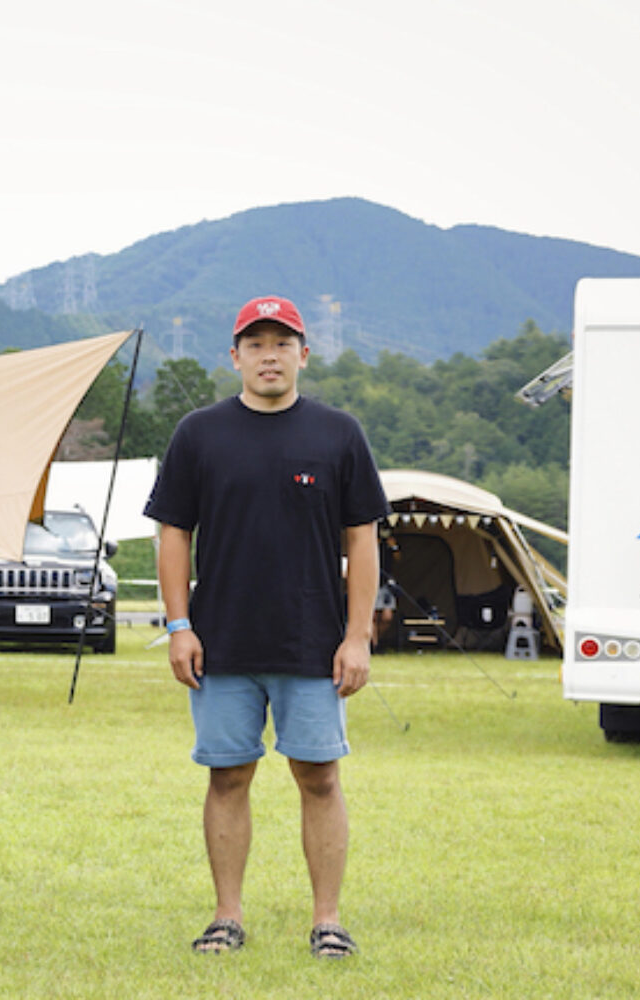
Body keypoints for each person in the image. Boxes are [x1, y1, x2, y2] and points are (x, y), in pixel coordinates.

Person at [144, 296, 388, 960]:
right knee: (227, 777)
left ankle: (328, 920)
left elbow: (362, 541)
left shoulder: (339, 435)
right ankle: (226, 917)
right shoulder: (199, 434)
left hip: (313, 646)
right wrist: (179, 626)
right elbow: (174, 534)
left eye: (282, 344)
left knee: (320, 777)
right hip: (220, 644)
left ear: (304, 355)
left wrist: (357, 636)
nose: (269, 356)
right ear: (235, 357)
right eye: (256, 344)